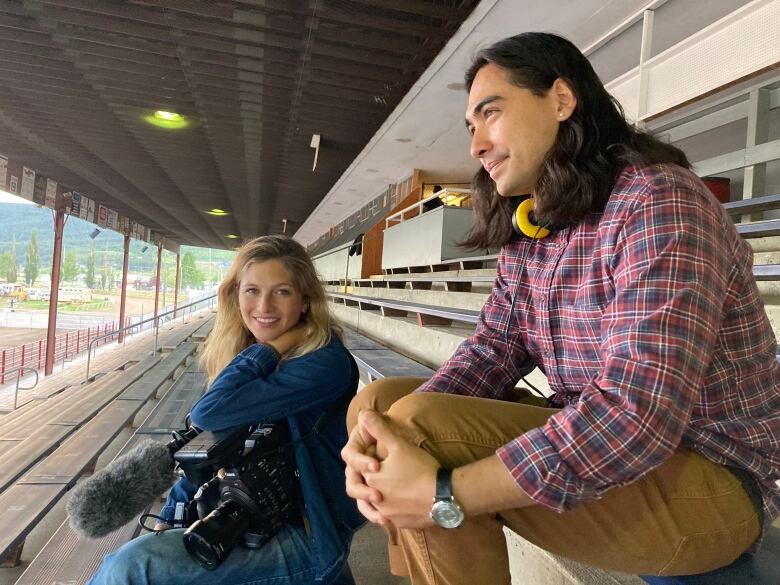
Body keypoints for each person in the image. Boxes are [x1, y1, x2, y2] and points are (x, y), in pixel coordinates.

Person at [342, 32, 780, 584]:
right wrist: (379, 439)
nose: (476, 144)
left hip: (712, 481)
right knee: (379, 406)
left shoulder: (659, 201)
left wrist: (444, 493)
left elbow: (636, 416)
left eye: (490, 113)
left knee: (422, 427)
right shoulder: (534, 227)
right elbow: (493, 350)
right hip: (619, 461)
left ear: (560, 100)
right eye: (471, 126)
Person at [88, 236, 364, 585]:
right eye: (251, 290)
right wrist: (174, 513)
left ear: (305, 301)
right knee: (133, 555)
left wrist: (272, 347)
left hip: (309, 538)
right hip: (248, 520)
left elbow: (209, 413)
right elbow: (209, 443)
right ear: (235, 295)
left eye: (281, 291)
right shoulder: (252, 354)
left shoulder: (324, 363)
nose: (263, 305)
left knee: (130, 567)